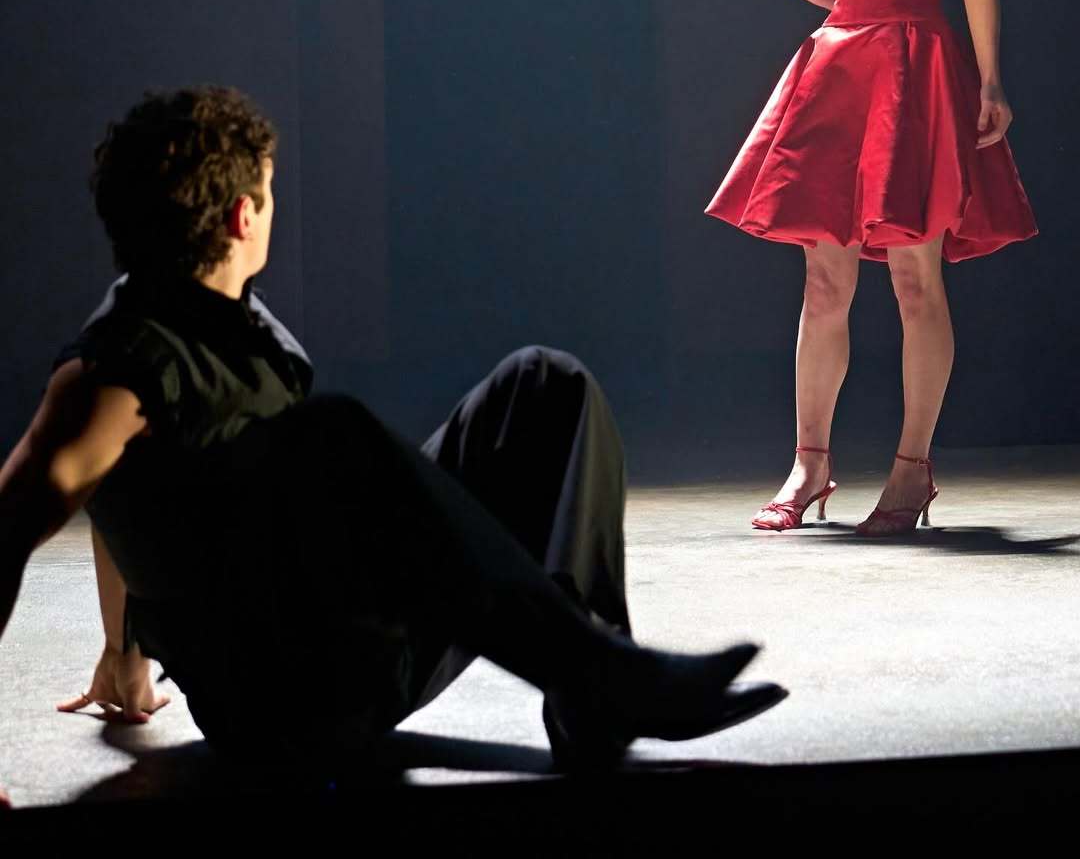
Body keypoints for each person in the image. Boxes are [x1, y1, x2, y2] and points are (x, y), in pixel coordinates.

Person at [0, 86, 784, 798]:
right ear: (242, 215)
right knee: (330, 434)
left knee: (545, 383)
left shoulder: (219, 319)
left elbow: (126, 490)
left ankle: (593, 690)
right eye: (268, 194)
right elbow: (26, 509)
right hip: (290, 704)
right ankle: (605, 675)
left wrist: (123, 653)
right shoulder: (119, 367)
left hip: (354, 637)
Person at [705, 0, 1036, 537]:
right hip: (840, 67)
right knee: (824, 281)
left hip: (917, 66)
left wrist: (991, 78)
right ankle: (809, 465)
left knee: (916, 278)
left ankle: (912, 471)